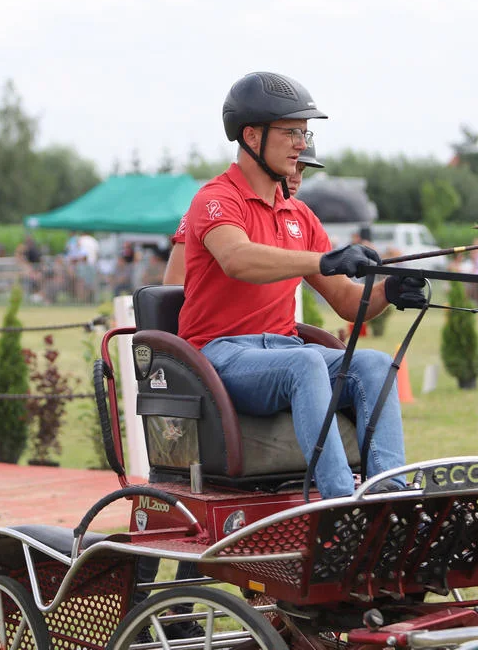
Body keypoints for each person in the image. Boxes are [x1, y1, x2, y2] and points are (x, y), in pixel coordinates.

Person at [178, 71, 422, 500]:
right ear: (251, 136)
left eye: (304, 133)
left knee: (375, 365)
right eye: (291, 132)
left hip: (285, 351)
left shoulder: (300, 217)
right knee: (308, 363)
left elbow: (349, 304)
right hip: (220, 353)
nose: (301, 144)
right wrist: (326, 260)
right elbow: (237, 258)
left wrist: (388, 290)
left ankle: (390, 499)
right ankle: (340, 505)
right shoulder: (215, 200)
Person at [163, 142, 323, 285]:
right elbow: (174, 283)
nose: (296, 178)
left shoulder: (302, 214)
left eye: (301, 170)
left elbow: (337, 285)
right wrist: (319, 261)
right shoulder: (217, 202)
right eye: (292, 166)